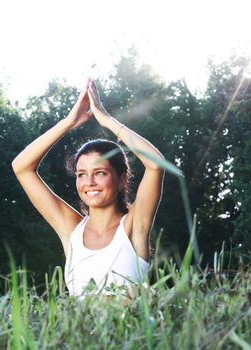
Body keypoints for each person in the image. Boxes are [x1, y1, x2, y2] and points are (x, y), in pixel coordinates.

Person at [12, 79, 164, 297]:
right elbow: (21, 167)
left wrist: (108, 120)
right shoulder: (71, 229)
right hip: (78, 332)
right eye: (81, 174)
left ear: (121, 179)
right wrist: (67, 123)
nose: (89, 182)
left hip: (131, 331)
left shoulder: (133, 226)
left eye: (100, 173)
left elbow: (156, 164)